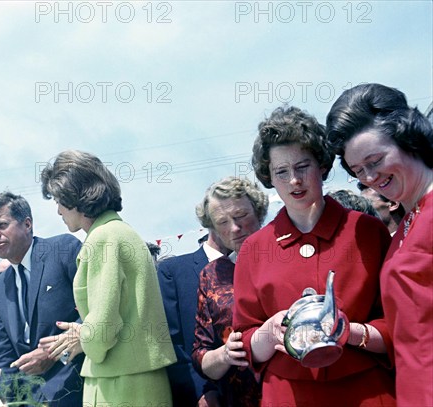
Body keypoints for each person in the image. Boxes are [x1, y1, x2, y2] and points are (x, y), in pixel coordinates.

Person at [232, 106, 395, 406]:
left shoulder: (367, 231)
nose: (294, 180)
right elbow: (245, 340)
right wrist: (267, 334)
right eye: (281, 171)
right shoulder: (254, 248)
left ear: (321, 164)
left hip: (367, 391)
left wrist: (352, 332)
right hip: (287, 396)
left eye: (302, 166)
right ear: (269, 177)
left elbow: (399, 324)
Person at [40, 150, 176, 406]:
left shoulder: (103, 238)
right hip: (136, 378)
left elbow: (102, 329)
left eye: (58, 199)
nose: (57, 210)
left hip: (119, 384)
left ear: (73, 195)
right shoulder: (121, 232)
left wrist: (82, 337)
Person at [326, 83, 433, 406]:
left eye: (375, 161)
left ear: (407, 138)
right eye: (358, 171)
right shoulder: (406, 225)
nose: (370, 177)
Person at [0, 191, 84, 406]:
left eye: (2, 224)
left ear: (27, 224)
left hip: (77, 388)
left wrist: (53, 354)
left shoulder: (63, 249)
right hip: (28, 398)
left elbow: (95, 312)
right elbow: (4, 352)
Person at [191, 177, 266, 407]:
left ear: (259, 211)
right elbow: (200, 354)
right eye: (222, 222)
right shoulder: (212, 275)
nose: (234, 228)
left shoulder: (290, 254)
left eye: (241, 216)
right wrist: (225, 354)